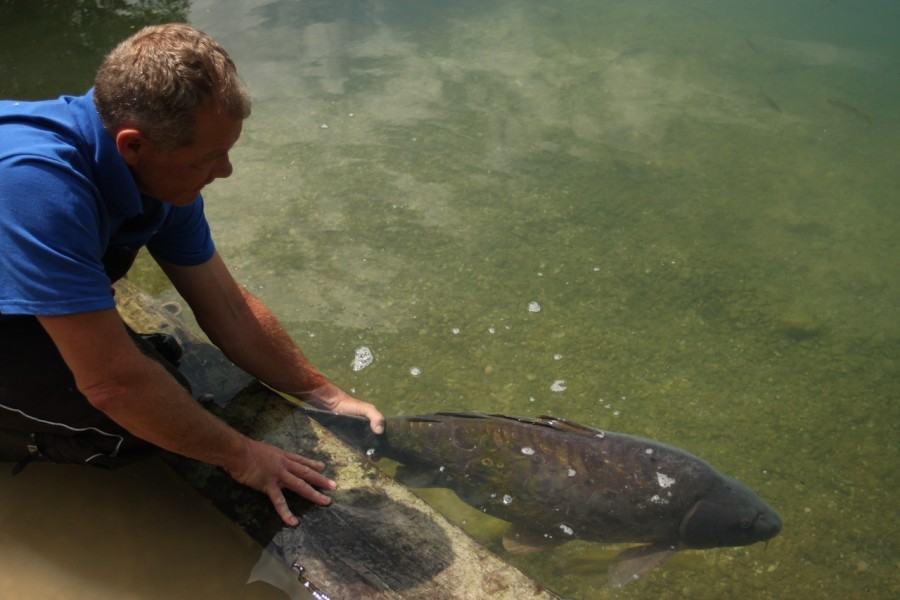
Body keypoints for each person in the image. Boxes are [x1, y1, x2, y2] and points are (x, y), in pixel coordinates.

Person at [0, 23, 384, 527]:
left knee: (164, 378)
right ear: (133, 145)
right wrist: (244, 456)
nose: (225, 172)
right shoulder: (38, 186)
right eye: (208, 158)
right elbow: (112, 384)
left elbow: (227, 306)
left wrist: (326, 395)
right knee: (126, 427)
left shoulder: (159, 179)